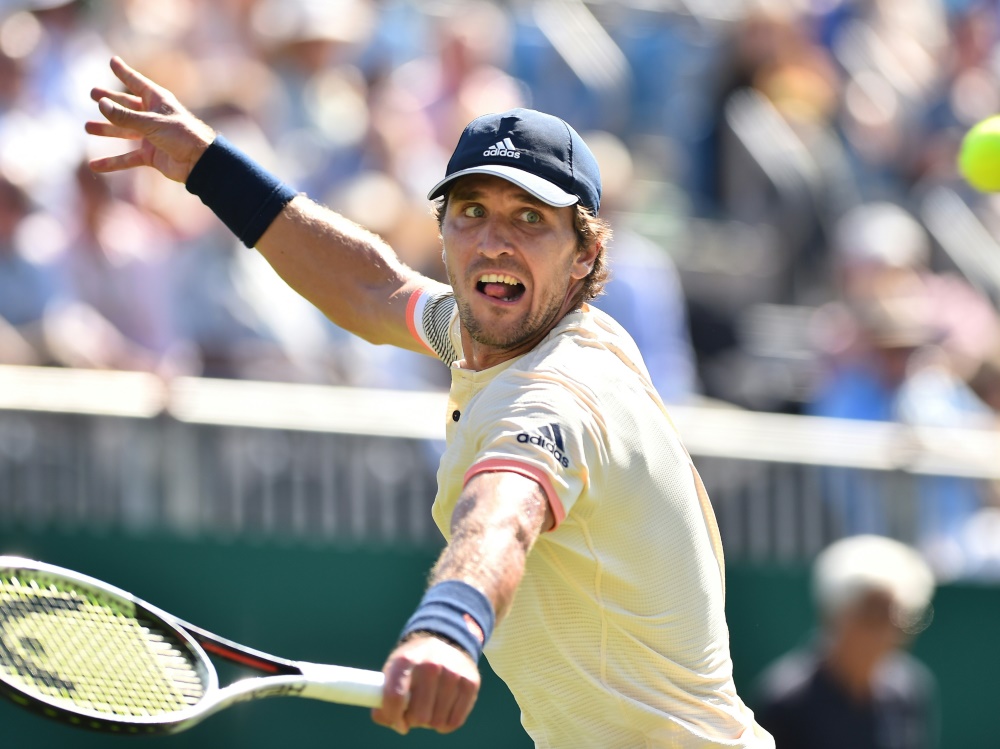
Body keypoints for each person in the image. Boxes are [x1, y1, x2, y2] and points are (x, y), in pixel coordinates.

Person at [85, 56, 774, 747]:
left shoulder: (554, 394)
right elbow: (373, 289)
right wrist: (212, 168)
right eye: (471, 212)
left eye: (530, 218)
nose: (494, 240)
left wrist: (447, 627)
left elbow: (502, 517)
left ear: (585, 255)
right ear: (443, 230)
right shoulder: (497, 331)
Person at [753, 535, 939, 749]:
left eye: (898, 616)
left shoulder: (910, 692)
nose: (888, 631)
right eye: (874, 614)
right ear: (834, 615)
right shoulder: (784, 700)